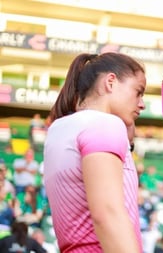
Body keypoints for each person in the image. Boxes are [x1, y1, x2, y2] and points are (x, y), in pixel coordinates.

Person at [43, 52, 147, 252]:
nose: (141, 103)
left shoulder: (58, 128)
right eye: (138, 92)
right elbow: (107, 214)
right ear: (110, 82)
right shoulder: (105, 124)